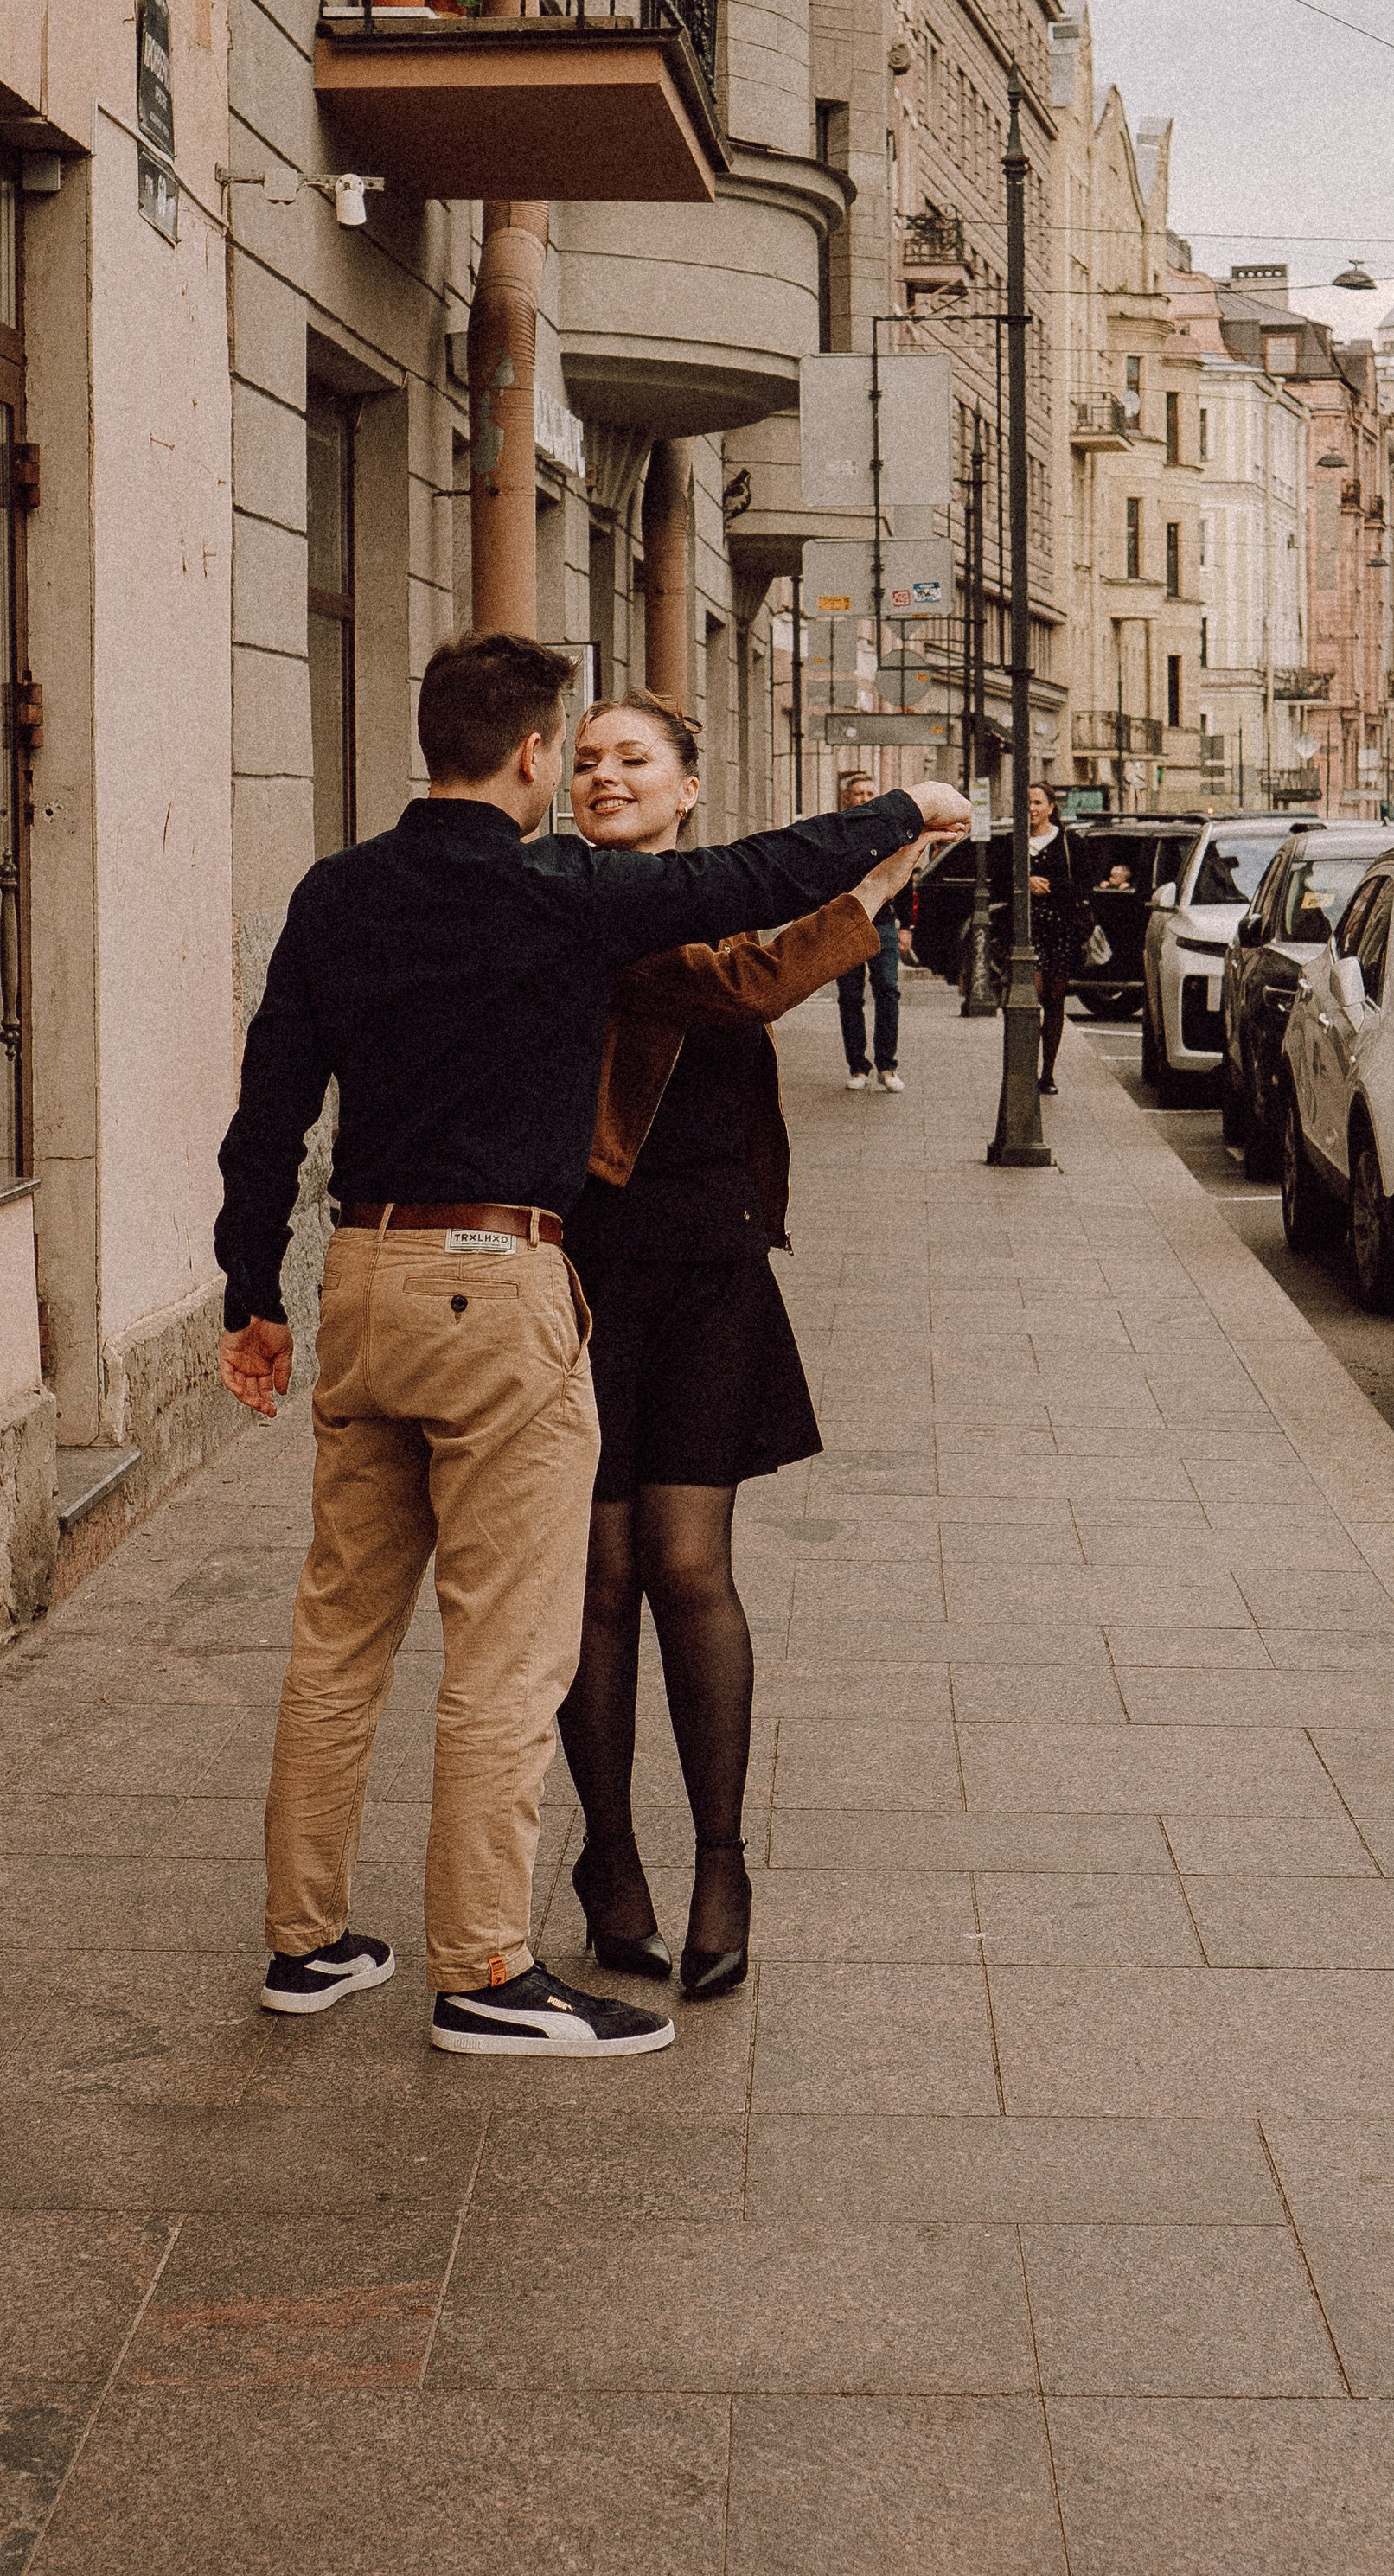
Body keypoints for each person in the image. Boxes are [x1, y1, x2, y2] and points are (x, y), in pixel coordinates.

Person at [214, 629, 965, 2061]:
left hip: (361, 1275)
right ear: (532, 756)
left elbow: (270, 1111)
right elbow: (743, 887)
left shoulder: (336, 892)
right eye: (576, 750)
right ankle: (487, 1970)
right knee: (510, 1643)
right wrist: (899, 813)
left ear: (425, 739)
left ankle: (306, 1944)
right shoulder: (554, 887)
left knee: (337, 1634)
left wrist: (253, 1289)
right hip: (498, 1282)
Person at [553, 694, 927, 1998]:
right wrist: (883, 870)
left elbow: (746, 969)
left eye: (634, 760)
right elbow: (752, 988)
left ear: (687, 790)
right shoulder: (578, 905)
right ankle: (609, 1858)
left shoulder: (697, 898)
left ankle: (722, 1861)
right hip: (585, 1275)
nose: (606, 776)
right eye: (588, 761)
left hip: (711, 1270)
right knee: (592, 1581)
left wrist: (870, 881)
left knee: (686, 1564)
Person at [993, 777, 1083, 1096]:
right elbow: (998, 884)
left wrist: (1053, 886)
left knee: (1054, 1000)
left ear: (1051, 808)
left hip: (1058, 930)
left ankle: (1048, 1073)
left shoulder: (1069, 842)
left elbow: (1081, 886)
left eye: (1037, 803)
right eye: (1026, 803)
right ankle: (1024, 1068)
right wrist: (1025, 880)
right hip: (1024, 932)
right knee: (1028, 997)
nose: (1031, 809)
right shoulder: (1012, 843)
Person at [833, 768, 904, 1092]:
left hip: (884, 922)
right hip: (845, 923)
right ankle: (857, 1067)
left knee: (887, 990)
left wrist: (908, 925)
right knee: (849, 995)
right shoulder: (836, 831)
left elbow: (904, 876)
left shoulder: (888, 832)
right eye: (859, 794)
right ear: (848, 799)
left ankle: (887, 1067)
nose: (864, 799)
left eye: (870, 794)